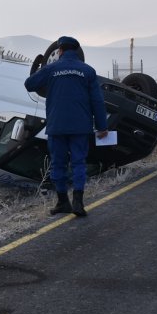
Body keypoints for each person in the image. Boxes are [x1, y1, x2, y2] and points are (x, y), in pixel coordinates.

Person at [24, 36, 108, 217]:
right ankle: (78, 202)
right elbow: (97, 101)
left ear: (60, 50)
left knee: (58, 164)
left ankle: (63, 202)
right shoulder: (88, 71)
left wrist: (37, 69)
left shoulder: (51, 69)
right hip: (81, 127)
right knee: (78, 163)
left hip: (57, 126)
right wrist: (102, 126)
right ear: (76, 51)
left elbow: (29, 85)